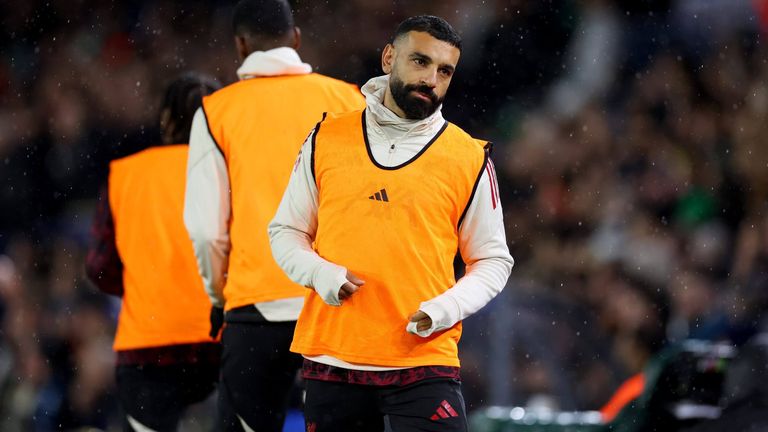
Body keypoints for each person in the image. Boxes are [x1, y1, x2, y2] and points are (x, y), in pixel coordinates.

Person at [269, 15, 514, 432]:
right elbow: (286, 232)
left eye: (445, 71)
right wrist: (320, 274)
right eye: (420, 61)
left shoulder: (469, 157)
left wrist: (446, 308)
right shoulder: (326, 137)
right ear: (388, 58)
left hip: (424, 359)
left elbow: (493, 260)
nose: (431, 79)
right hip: (334, 356)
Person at [182, 0, 365, 430]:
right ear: (296, 38)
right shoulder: (349, 100)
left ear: (240, 45)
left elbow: (206, 231)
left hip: (256, 307)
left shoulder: (216, 112)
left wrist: (218, 296)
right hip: (336, 301)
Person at [85, 72, 222, 432]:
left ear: (165, 120)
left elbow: (99, 267)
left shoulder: (126, 175)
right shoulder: (234, 172)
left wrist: (147, 284)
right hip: (226, 343)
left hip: (149, 347)